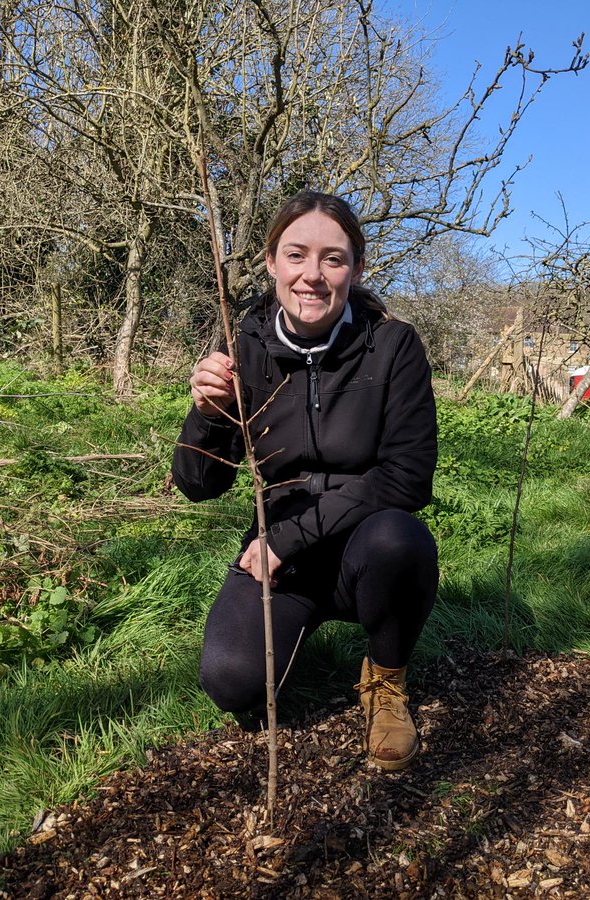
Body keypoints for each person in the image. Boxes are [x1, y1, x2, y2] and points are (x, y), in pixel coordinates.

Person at [171, 191, 438, 771]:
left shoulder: (394, 346)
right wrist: (209, 415)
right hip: (279, 551)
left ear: (356, 268)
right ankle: (294, 627)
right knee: (231, 686)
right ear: (271, 264)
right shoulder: (243, 345)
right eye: (296, 255)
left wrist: (285, 541)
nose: (311, 275)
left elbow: (408, 477)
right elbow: (197, 486)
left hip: (362, 543)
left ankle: (386, 681)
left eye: (333, 258)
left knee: (402, 541)